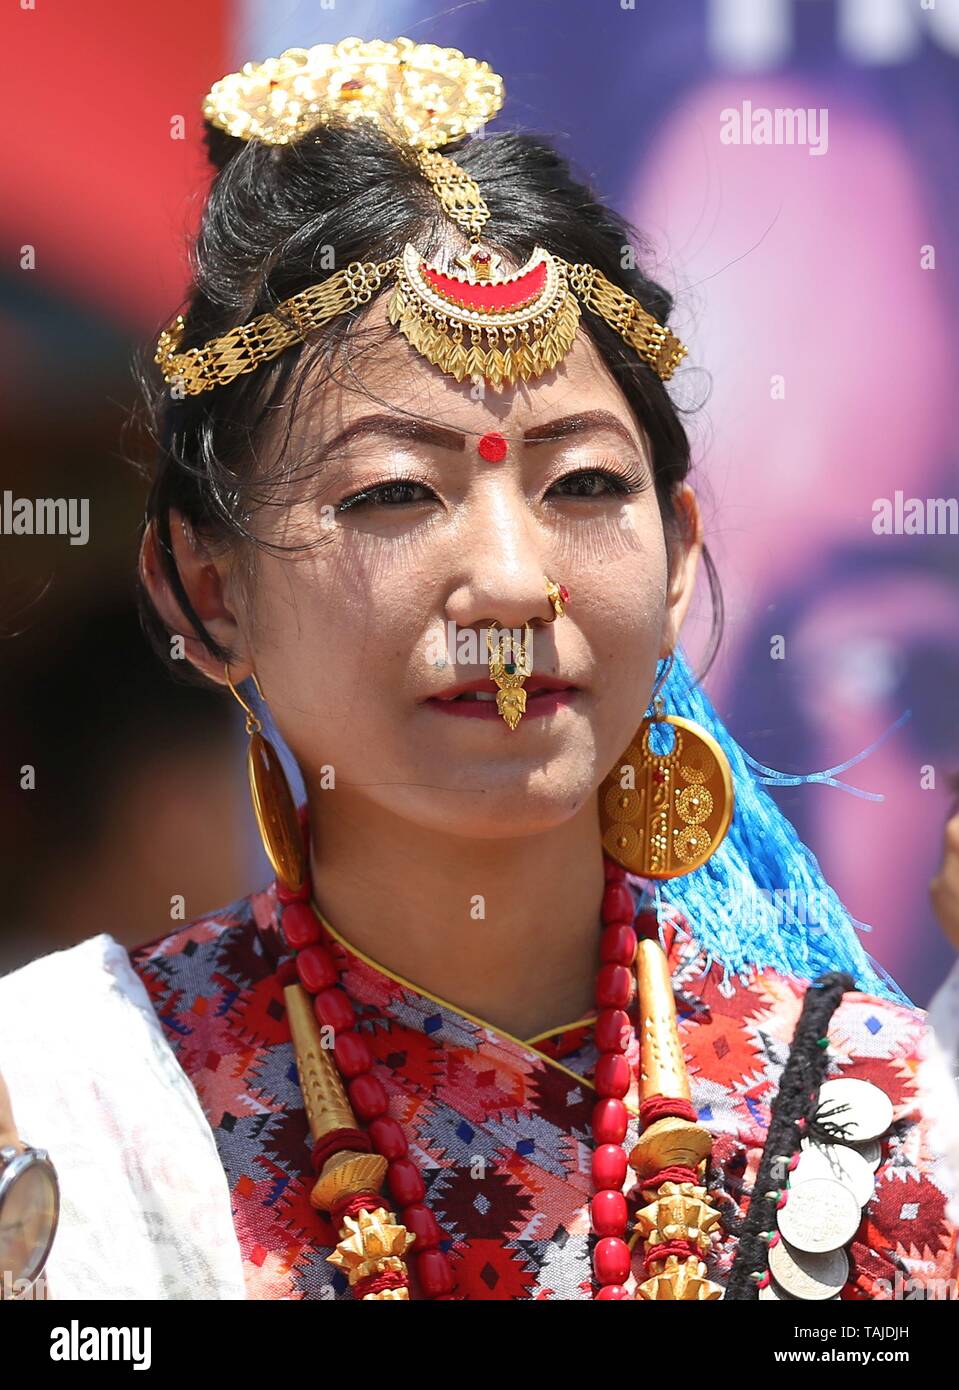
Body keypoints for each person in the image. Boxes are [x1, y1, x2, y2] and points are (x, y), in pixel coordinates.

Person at [1, 36, 958, 1304]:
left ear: (675, 556)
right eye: (396, 491)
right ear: (209, 590)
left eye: (583, 485)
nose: (511, 580)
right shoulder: (65, 1104)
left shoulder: (892, 1116)